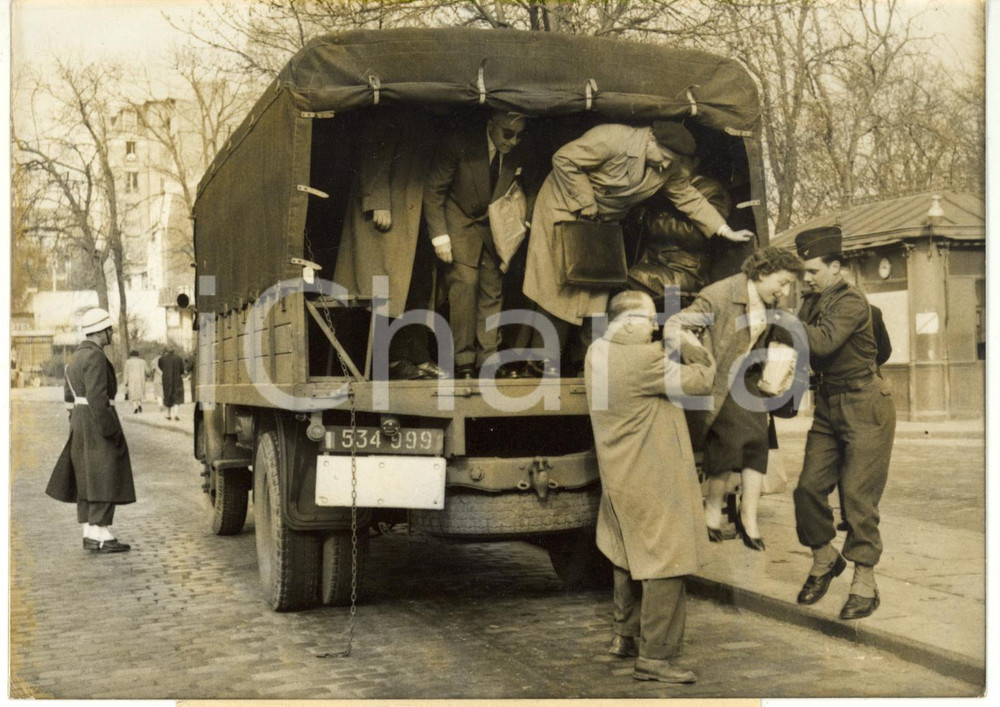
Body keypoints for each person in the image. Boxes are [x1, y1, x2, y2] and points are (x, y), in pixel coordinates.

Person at [522, 121, 753, 375]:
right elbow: (564, 159)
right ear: (650, 139)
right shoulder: (611, 138)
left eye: (672, 161)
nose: (666, 165)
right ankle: (543, 362)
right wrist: (585, 200)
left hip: (602, 220)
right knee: (560, 286)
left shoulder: (667, 165)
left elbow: (689, 198)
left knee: (598, 290)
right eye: (664, 157)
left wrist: (725, 230)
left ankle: (585, 363)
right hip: (564, 206)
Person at [585, 290, 715, 684]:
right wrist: (691, 343)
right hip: (651, 477)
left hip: (620, 475)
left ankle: (624, 636)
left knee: (627, 555)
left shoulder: (598, 352)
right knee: (667, 562)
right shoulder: (643, 360)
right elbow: (702, 380)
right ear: (625, 323)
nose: (656, 326)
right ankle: (656, 657)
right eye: (648, 320)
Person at [785, 226, 896, 620]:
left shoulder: (850, 301)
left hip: (866, 403)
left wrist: (779, 318)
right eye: (804, 272)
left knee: (857, 496)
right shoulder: (810, 303)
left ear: (836, 266)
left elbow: (823, 343)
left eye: (814, 270)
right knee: (807, 489)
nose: (807, 278)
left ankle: (864, 582)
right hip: (829, 404)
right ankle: (824, 558)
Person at [680, 246, 803, 551]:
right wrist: (699, 358)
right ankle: (713, 509)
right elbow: (677, 325)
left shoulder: (770, 300)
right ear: (761, 274)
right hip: (719, 378)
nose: (785, 291)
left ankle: (747, 518)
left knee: (758, 441)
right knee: (732, 438)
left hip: (748, 377)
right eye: (782, 282)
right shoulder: (719, 294)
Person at [423, 110, 537, 379]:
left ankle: (489, 360)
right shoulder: (458, 144)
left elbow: (531, 188)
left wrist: (524, 223)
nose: (512, 142)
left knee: (492, 290)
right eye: (507, 134)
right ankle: (463, 361)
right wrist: (440, 237)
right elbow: (434, 190)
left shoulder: (519, 153)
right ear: (490, 126)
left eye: (519, 136)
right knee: (465, 285)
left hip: (493, 230)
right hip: (459, 222)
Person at [333, 107, 445, 380]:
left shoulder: (423, 117)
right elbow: (374, 152)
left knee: (418, 288)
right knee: (385, 292)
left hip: (413, 217)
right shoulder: (391, 110)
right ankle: (392, 361)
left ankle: (418, 357)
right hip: (389, 218)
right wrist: (379, 202)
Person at [46, 307, 135, 553]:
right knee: (105, 475)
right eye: (109, 330)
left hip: (80, 421)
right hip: (97, 421)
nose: (111, 334)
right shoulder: (95, 356)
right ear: (101, 332)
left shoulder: (76, 356)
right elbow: (98, 396)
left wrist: (77, 419)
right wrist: (111, 429)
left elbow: (68, 397)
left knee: (87, 477)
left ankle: (90, 531)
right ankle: (102, 535)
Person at [627, 169, 732, 298]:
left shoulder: (710, 188)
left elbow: (698, 234)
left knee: (633, 277)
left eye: (678, 160)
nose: (669, 165)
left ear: (695, 161)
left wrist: (652, 222)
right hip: (656, 262)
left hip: (684, 271)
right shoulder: (664, 185)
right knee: (614, 275)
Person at [158, 347, 185, 421]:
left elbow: (160, 367)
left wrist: (166, 371)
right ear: (174, 351)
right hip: (177, 379)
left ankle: (168, 414)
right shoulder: (179, 358)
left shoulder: (162, 359)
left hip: (166, 379)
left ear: (166, 351)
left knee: (167, 395)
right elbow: (182, 369)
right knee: (177, 396)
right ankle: (176, 414)